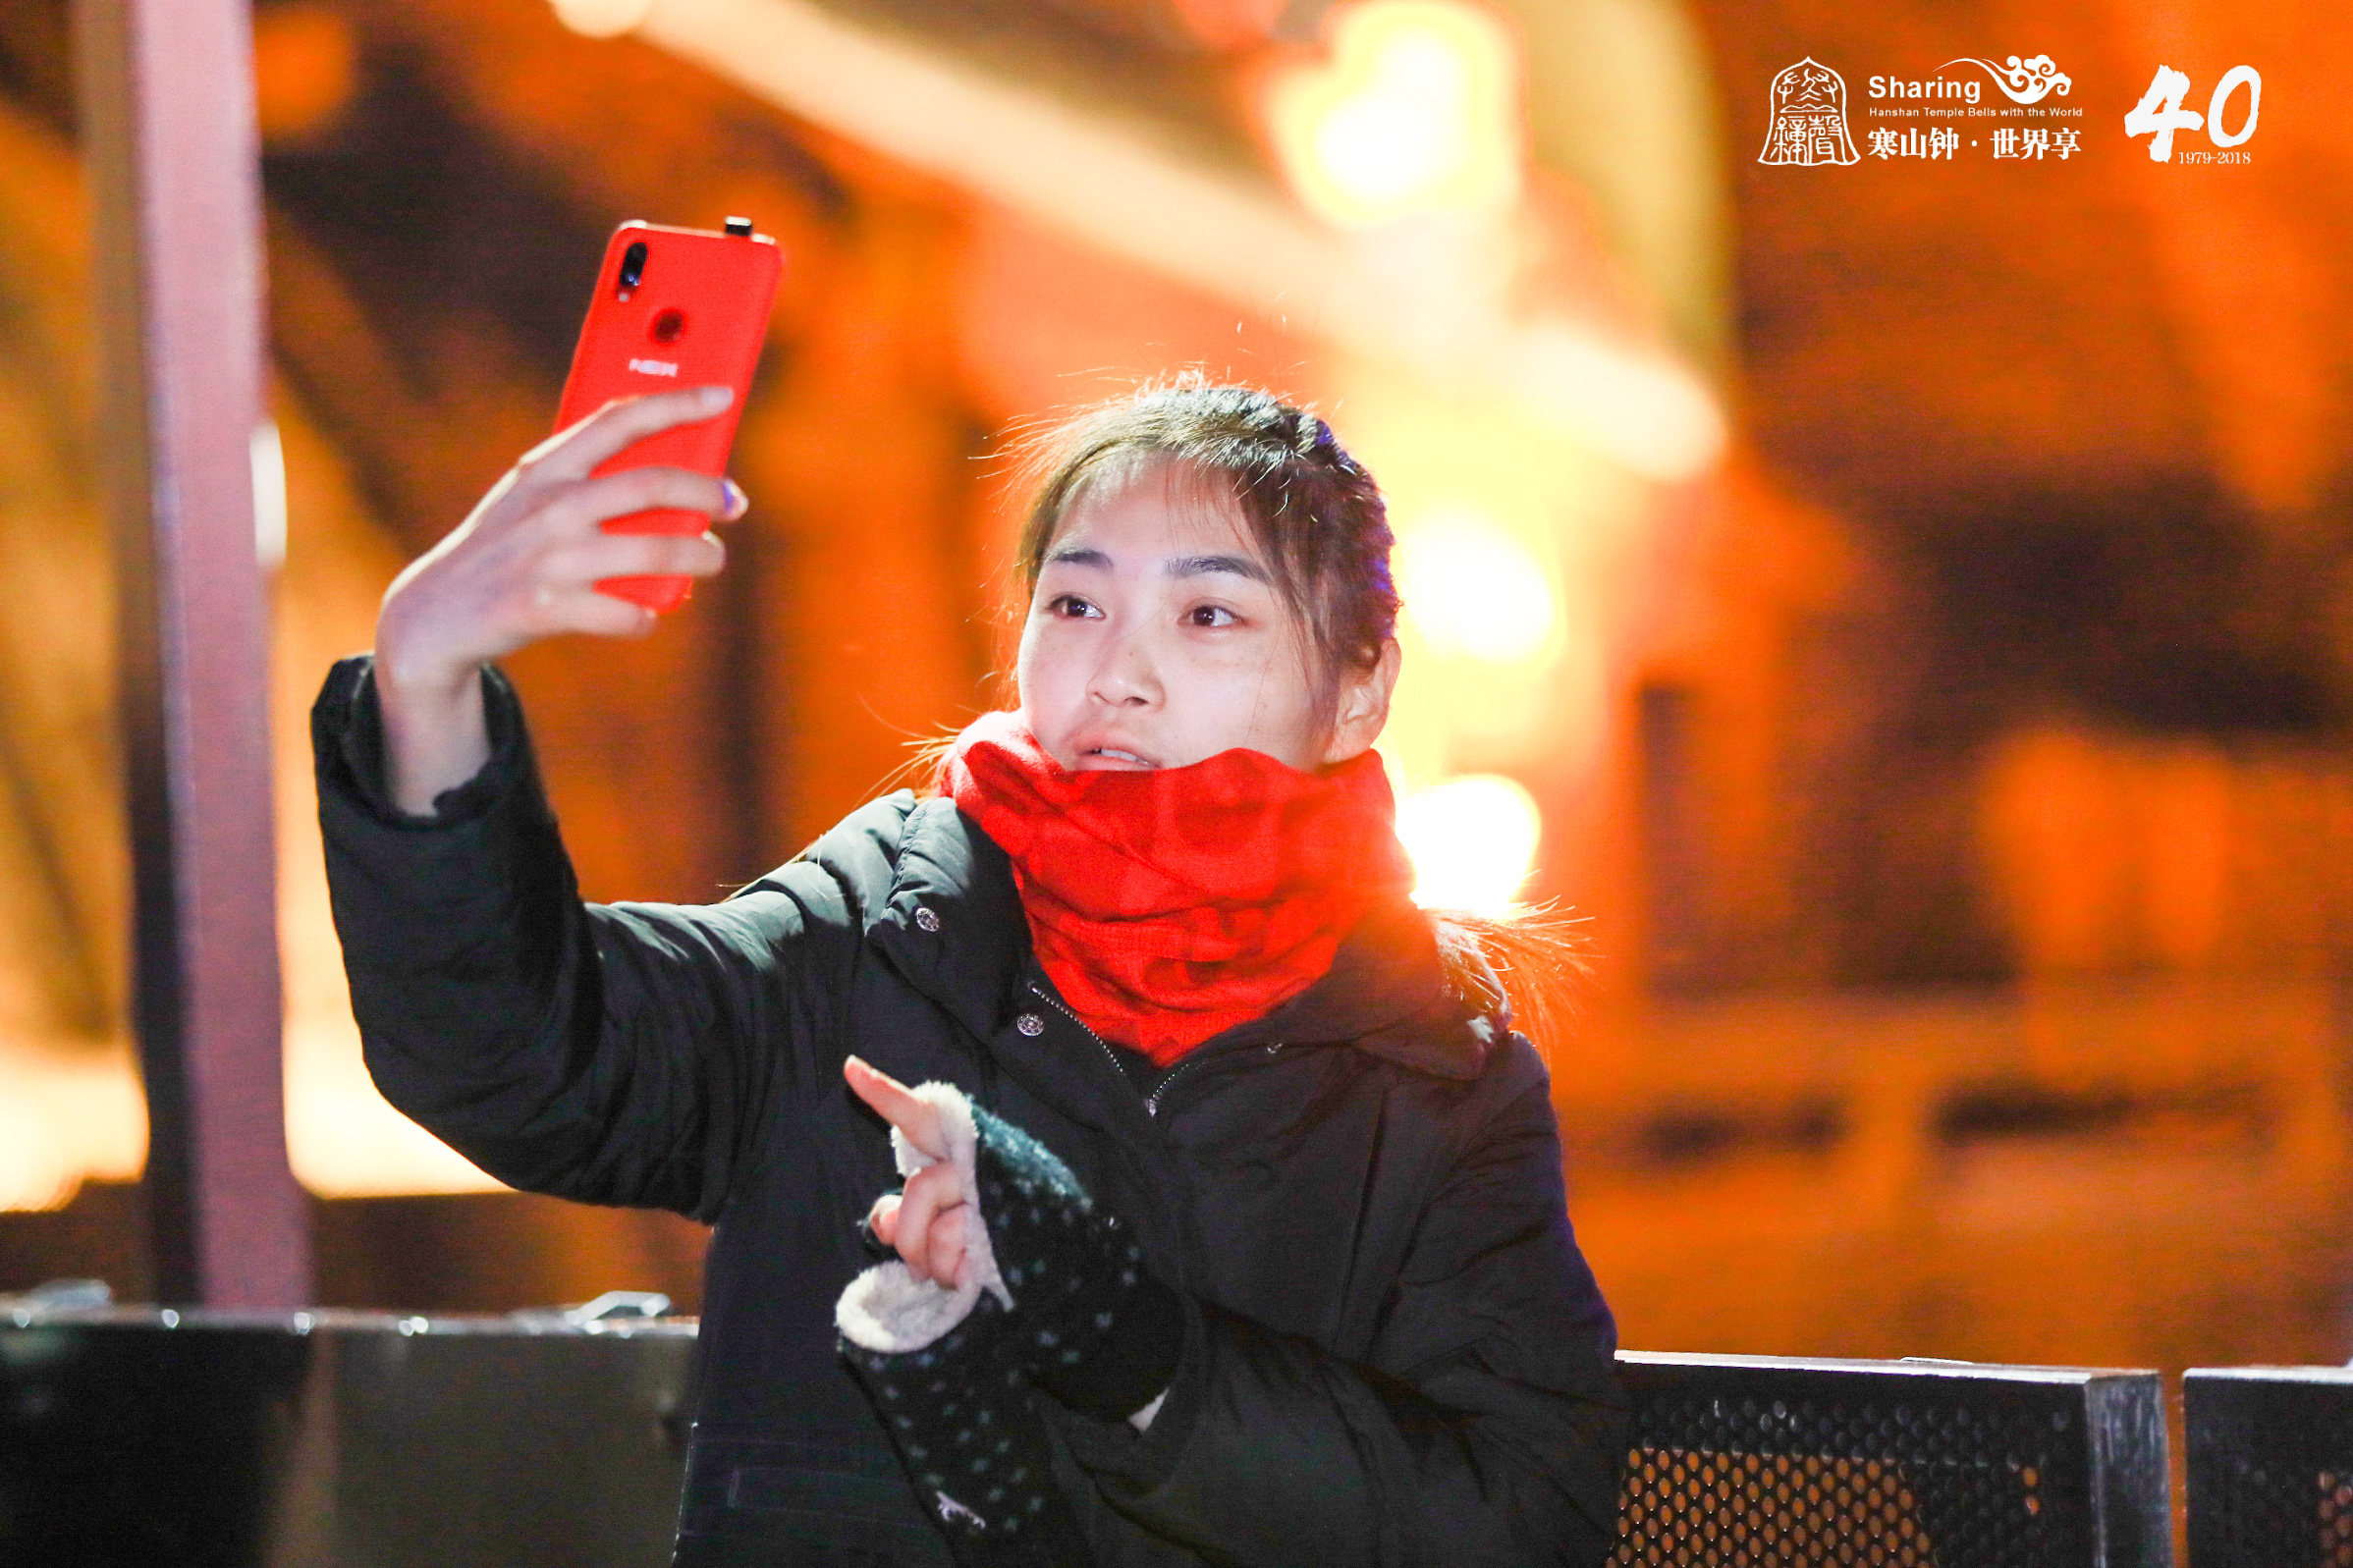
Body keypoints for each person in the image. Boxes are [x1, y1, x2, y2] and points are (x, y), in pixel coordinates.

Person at [313, 378, 1627, 1566]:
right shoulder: (872, 934)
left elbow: (1524, 1518)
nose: (1119, 674)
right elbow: (525, 1058)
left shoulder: (1434, 1074)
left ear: (1357, 689)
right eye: (1076, 604)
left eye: (1209, 613)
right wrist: (425, 683)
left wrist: (1139, 1353)